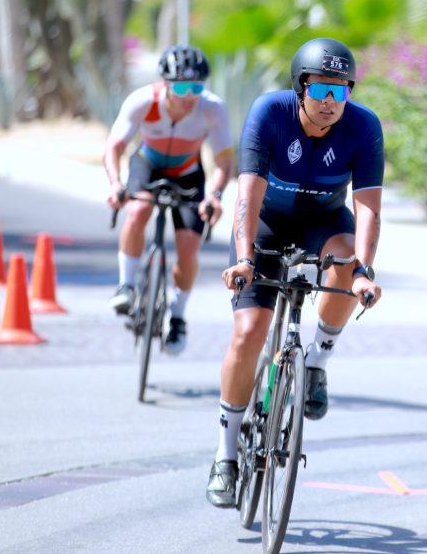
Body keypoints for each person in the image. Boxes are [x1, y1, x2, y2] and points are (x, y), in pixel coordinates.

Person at [205, 37, 384, 508]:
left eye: (340, 91)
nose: (330, 101)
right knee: (249, 331)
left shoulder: (364, 126)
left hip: (324, 224)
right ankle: (225, 456)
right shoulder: (270, 113)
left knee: (345, 261)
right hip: (266, 224)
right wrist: (244, 258)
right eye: (321, 90)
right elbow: (247, 196)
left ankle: (318, 361)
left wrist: (364, 271)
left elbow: (367, 208)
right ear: (300, 88)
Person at [103, 45, 233, 355]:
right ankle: (126, 285)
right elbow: (114, 148)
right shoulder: (143, 101)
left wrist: (215, 196)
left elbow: (224, 161)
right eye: (182, 88)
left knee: (188, 248)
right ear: (164, 84)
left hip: (188, 173)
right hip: (148, 164)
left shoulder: (212, 108)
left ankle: (177, 316)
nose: (190, 96)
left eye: (197, 88)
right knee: (138, 209)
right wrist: (116, 184)